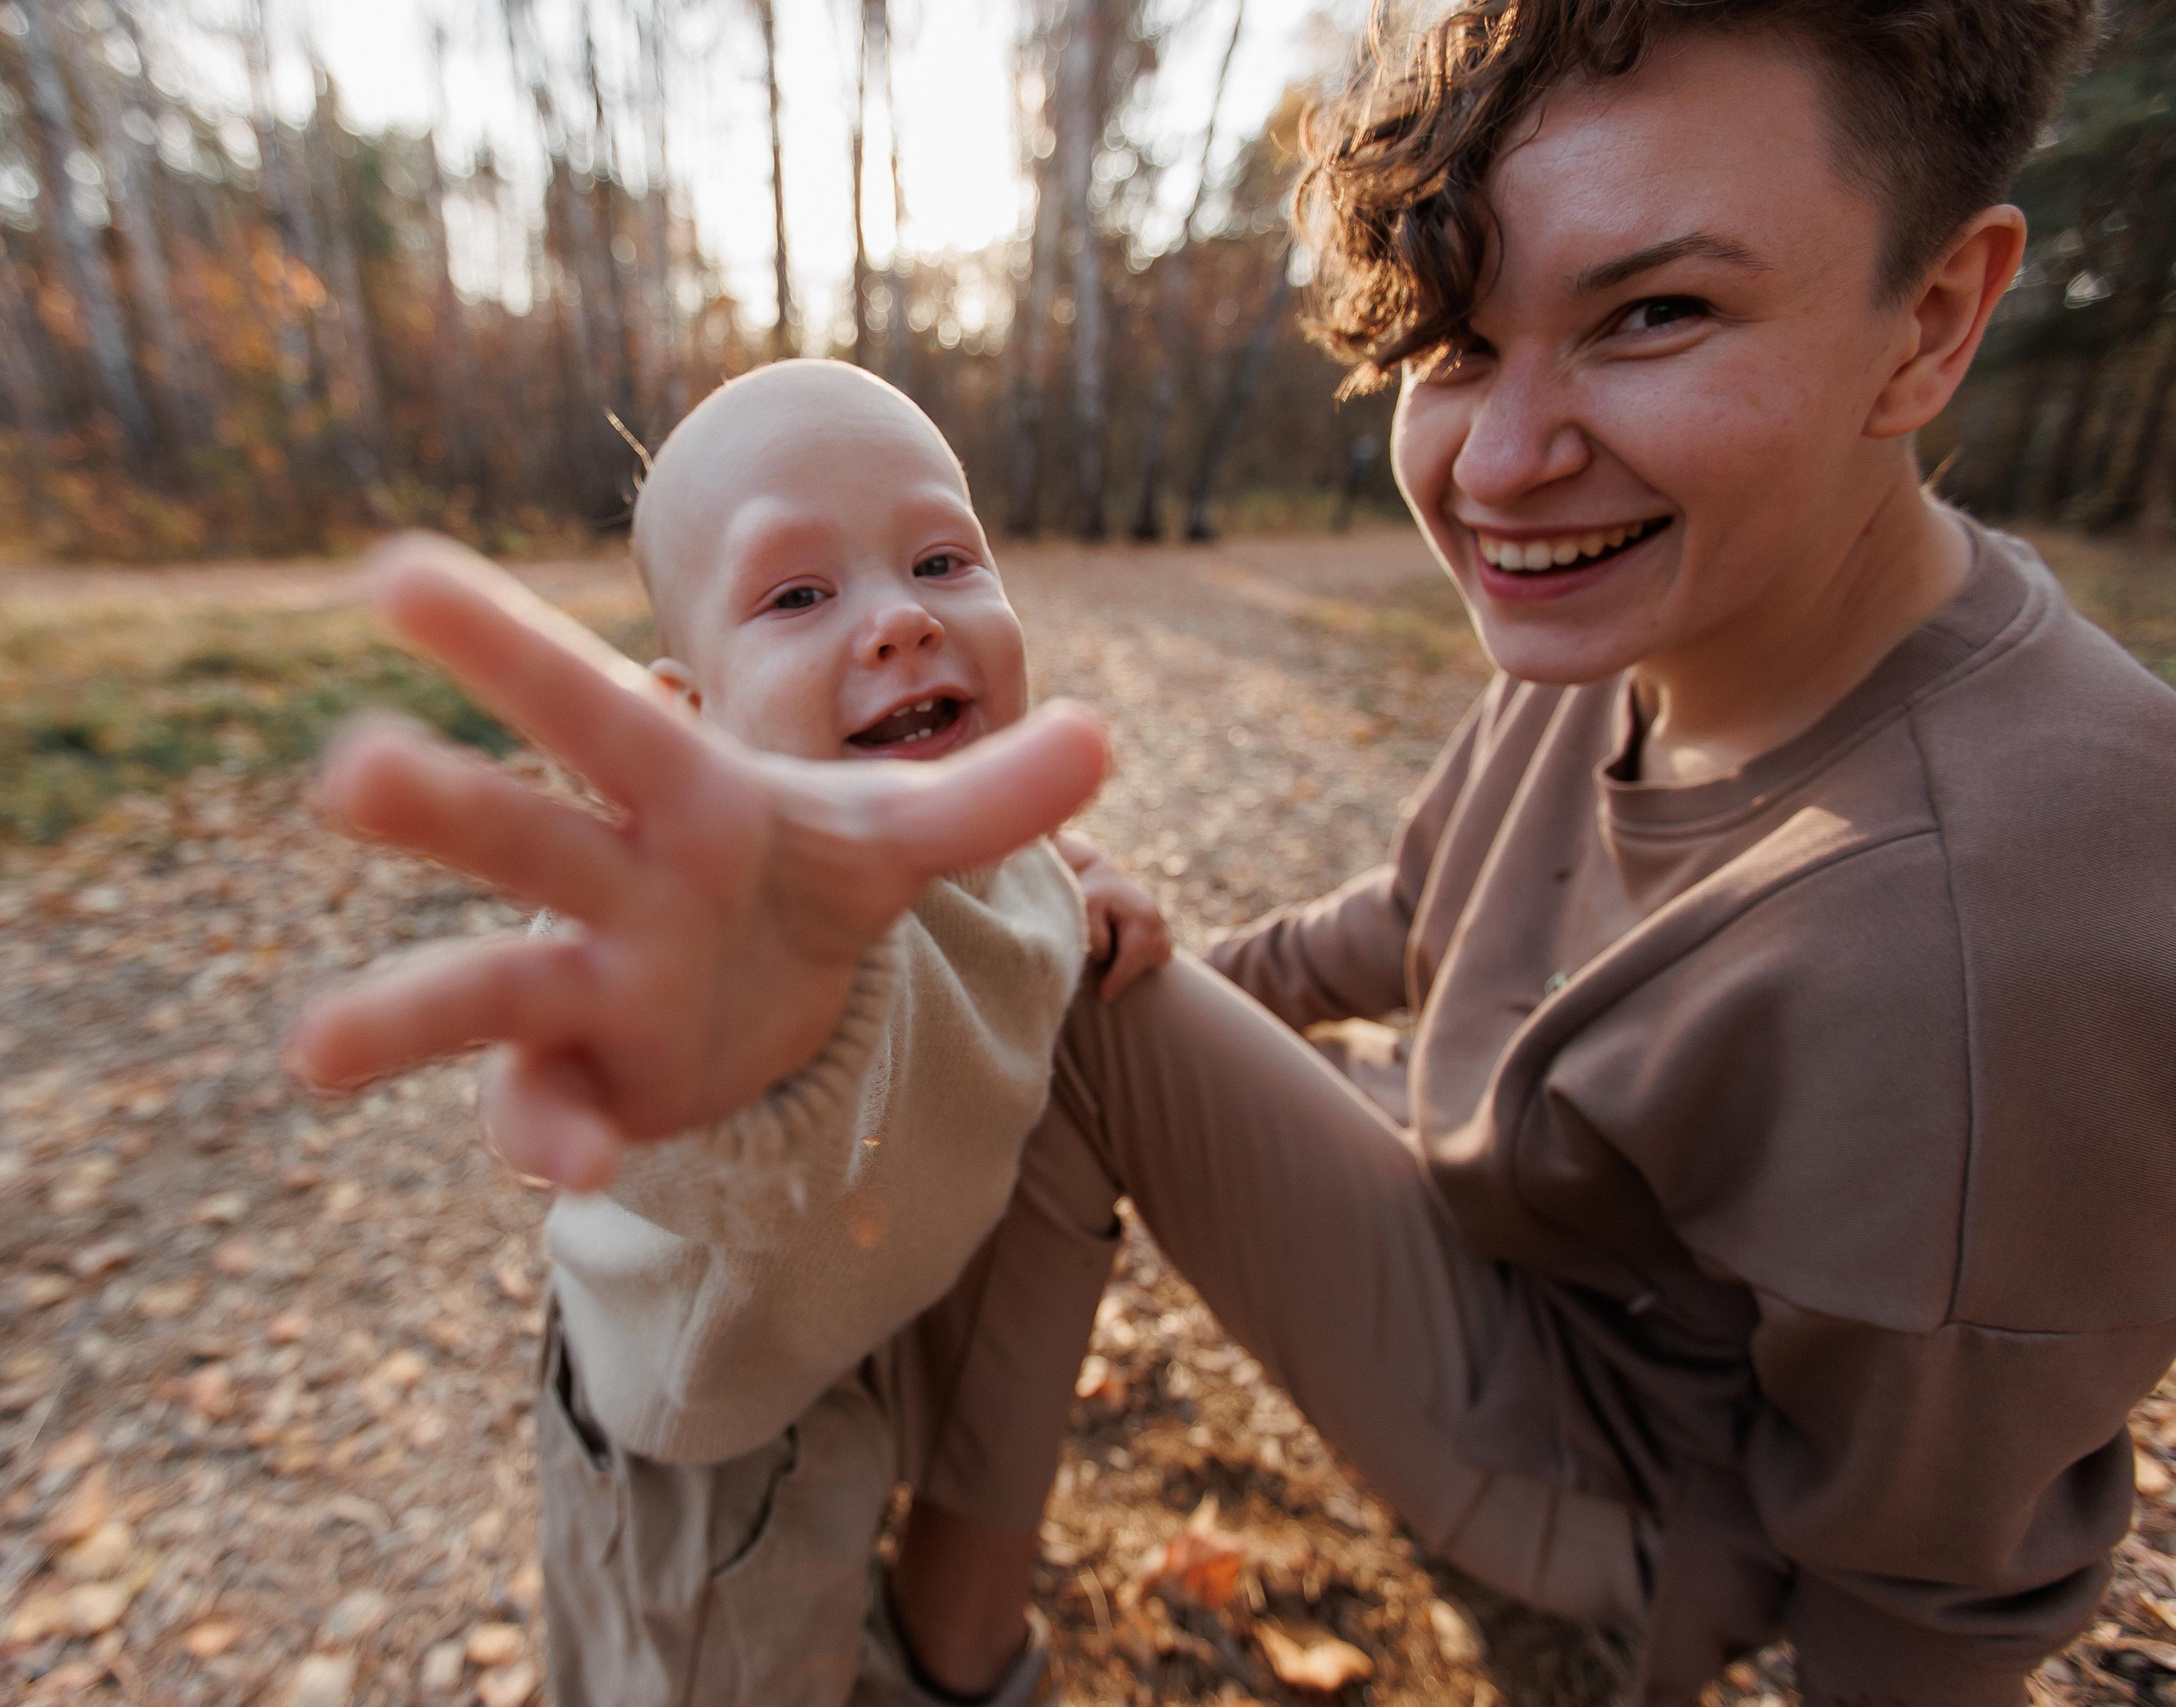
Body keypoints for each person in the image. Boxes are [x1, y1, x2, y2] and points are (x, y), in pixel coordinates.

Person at [289, 2, 2176, 1702]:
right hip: (1513, 1244)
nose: (1500, 464)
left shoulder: (2007, 935)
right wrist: (1123, 982)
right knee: (1069, 981)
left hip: (1649, 1484)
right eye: (1460, 340)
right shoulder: (1669, 590)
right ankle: (962, 1642)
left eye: (1655, 312)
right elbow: (1423, 917)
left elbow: (1936, 1589)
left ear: (1934, 315)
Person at [293, 360, 1164, 1706]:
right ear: (691, 718)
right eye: (798, 595)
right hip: (710, 1432)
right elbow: (720, 1094)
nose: (901, 621)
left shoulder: (988, 831)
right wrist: (700, 1071)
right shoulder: (740, 952)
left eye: (942, 560)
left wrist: (1081, 871)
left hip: (863, 1304)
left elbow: (990, 870)